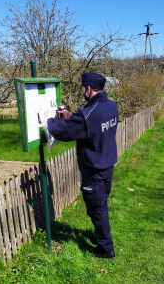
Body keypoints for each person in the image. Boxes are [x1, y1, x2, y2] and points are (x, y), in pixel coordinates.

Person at [47, 73, 119, 259]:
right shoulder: (110, 106)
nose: (82, 91)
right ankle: (101, 235)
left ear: (88, 89)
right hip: (107, 164)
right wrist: (72, 116)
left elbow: (62, 132)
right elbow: (90, 122)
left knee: (96, 207)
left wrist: (50, 120)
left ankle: (106, 248)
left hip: (94, 168)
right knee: (100, 202)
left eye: (82, 88)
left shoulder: (89, 115)